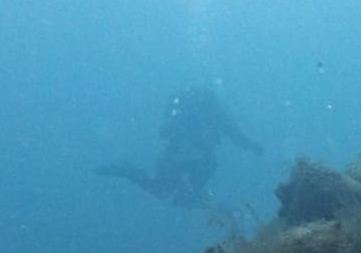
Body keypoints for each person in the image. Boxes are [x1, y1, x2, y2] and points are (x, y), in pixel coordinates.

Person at [94, 88, 263, 208]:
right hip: (190, 158)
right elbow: (234, 132)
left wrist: (251, 145)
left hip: (176, 156)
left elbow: (164, 132)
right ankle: (127, 170)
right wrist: (252, 146)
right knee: (190, 183)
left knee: (161, 189)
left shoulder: (185, 108)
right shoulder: (214, 110)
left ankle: (126, 169)